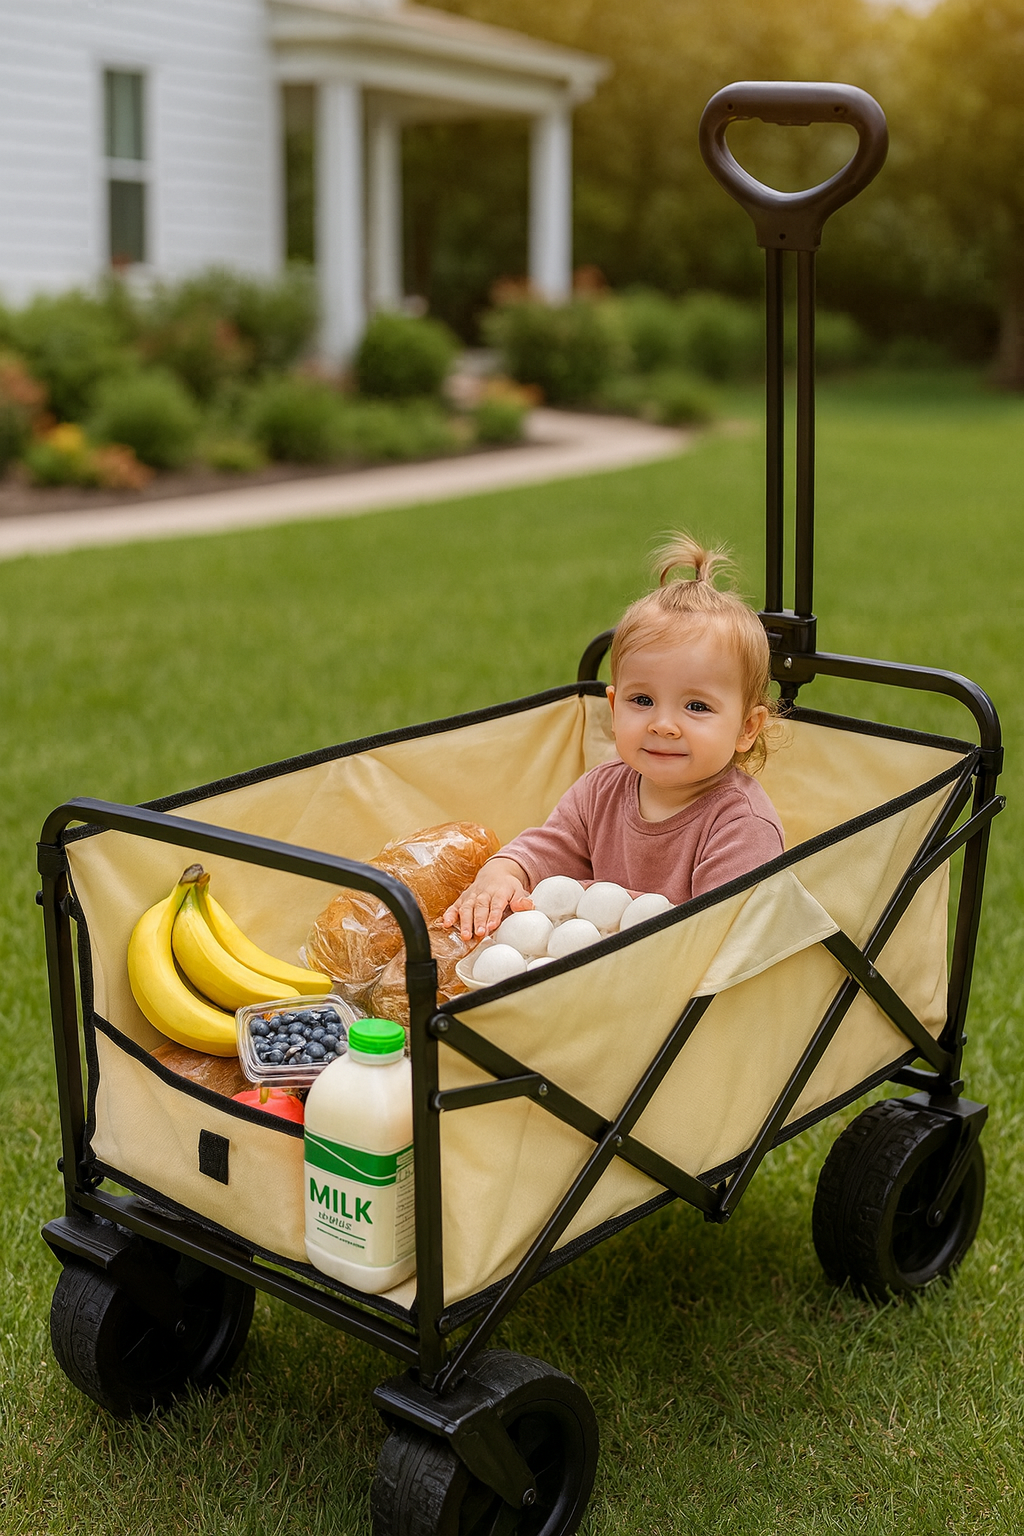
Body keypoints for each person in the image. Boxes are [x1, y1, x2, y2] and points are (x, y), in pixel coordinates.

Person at [443, 534, 785, 941]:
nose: (663, 725)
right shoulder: (599, 791)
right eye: (642, 699)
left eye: (696, 707)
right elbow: (545, 850)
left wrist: (582, 899)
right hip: (592, 977)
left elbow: (712, 938)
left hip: (685, 995)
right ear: (613, 705)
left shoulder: (741, 825)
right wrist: (502, 873)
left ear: (747, 728)